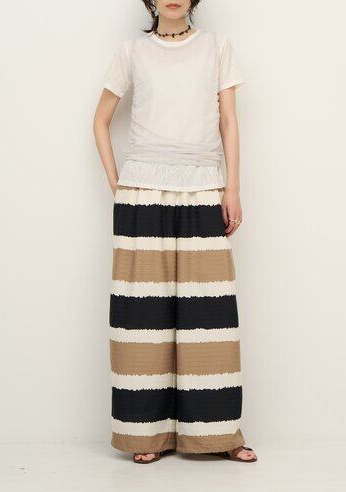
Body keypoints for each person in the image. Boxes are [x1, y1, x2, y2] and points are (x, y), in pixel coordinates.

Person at [93, 0, 257, 464]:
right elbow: (100, 121)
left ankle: (217, 435)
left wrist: (232, 188)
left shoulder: (217, 47)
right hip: (142, 192)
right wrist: (118, 185)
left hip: (203, 186)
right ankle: (144, 436)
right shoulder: (131, 52)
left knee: (209, 318)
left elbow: (228, 121)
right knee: (142, 318)